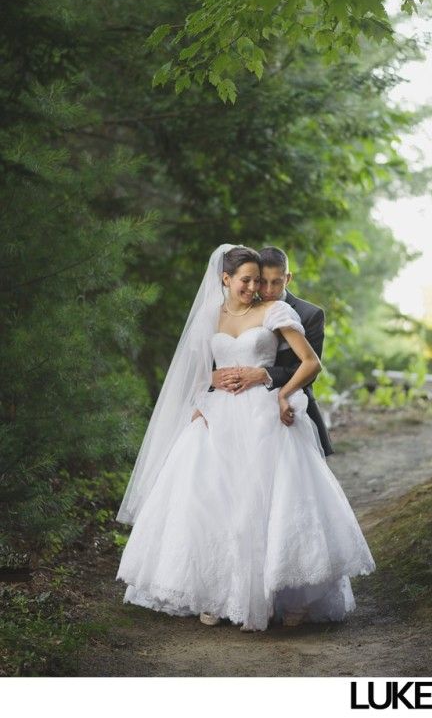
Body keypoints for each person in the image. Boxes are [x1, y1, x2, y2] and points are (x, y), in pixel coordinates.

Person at [116, 245, 374, 631]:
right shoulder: (209, 316)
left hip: (263, 413)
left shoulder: (274, 311)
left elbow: (310, 363)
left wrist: (281, 392)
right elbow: (194, 371)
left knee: (273, 501)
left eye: (259, 280)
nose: (255, 287)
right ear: (225, 279)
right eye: (247, 280)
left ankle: (289, 596)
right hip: (220, 414)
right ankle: (218, 594)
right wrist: (209, 384)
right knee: (213, 499)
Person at [211, 246, 334, 456]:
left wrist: (264, 374)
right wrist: (212, 377)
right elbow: (220, 359)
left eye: (276, 282)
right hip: (230, 406)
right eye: (262, 281)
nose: (267, 290)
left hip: (286, 403)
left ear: (288, 278)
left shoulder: (309, 314)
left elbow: (308, 367)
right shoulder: (229, 311)